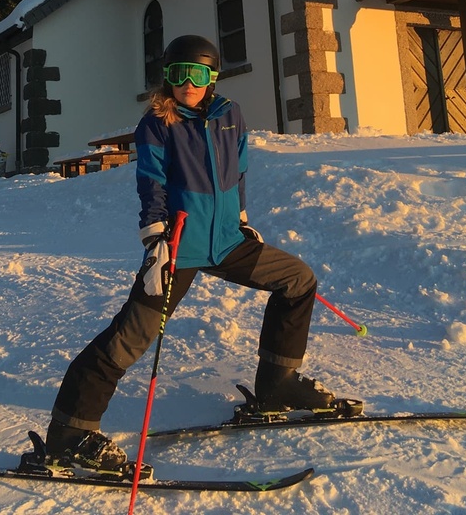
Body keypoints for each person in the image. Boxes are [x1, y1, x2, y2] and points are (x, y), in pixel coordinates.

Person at [45, 34, 338, 470]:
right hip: (179, 247)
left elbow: (239, 170)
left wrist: (240, 218)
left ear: (212, 77)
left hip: (228, 242)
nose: (188, 83)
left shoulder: (230, 114)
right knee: (129, 338)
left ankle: (277, 384)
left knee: (298, 280)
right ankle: (69, 433)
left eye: (198, 74)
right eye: (179, 73)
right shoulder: (157, 123)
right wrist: (155, 239)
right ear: (167, 77)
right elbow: (151, 182)